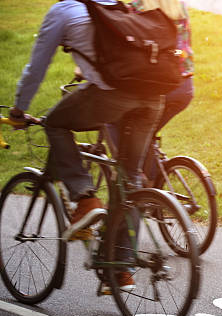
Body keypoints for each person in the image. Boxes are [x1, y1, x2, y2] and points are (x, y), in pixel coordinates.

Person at [10, 0, 164, 291]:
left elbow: (37, 68)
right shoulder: (118, 5)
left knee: (54, 123)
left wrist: (18, 110)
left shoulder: (63, 11)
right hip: (153, 97)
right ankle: (119, 269)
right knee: (129, 179)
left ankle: (84, 198)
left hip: (112, 95)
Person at [105, 0, 194, 185]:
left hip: (159, 86)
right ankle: (152, 189)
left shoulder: (136, 8)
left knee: (113, 121)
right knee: (144, 134)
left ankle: (142, 187)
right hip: (184, 86)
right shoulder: (179, 5)